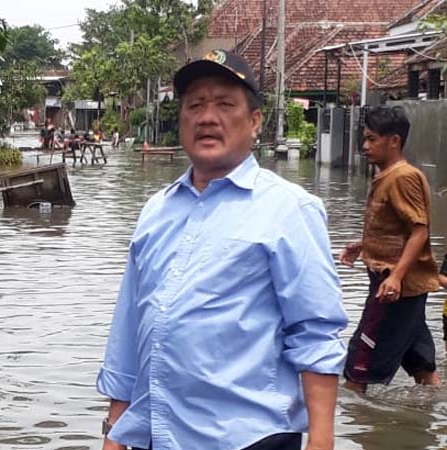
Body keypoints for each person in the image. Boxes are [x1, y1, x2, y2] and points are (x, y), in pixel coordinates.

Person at [97, 49, 347, 450]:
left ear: (254, 122)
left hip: (248, 438)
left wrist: (321, 440)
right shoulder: (156, 210)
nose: (207, 117)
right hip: (157, 435)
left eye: (225, 105)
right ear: (181, 119)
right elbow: (129, 328)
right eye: (195, 105)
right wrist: (115, 430)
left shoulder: (288, 208)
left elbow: (315, 331)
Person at [339, 106, 442, 393]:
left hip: (394, 289)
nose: (365, 146)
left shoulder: (402, 177)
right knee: (423, 367)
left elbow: (419, 229)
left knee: (359, 361)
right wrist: (364, 245)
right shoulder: (389, 175)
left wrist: (395, 277)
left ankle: (354, 425)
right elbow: (398, 228)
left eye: (372, 139)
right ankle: (433, 419)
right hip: (404, 287)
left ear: (394, 141)